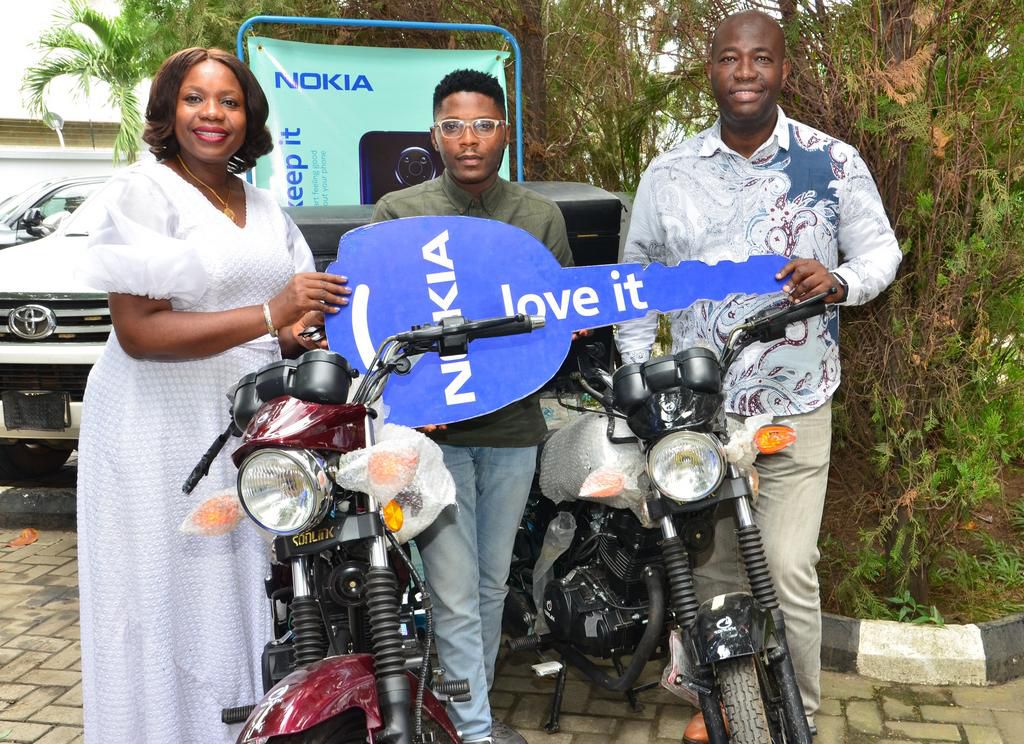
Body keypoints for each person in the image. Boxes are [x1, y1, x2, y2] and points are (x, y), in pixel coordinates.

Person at [614, 10, 902, 743]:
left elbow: (880, 256)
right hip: (698, 412)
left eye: (761, 59)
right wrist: (639, 378)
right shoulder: (668, 173)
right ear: (709, 69)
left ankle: (799, 715)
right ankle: (722, 706)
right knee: (711, 576)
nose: (746, 72)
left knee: (786, 568)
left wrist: (836, 280)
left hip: (795, 405)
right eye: (730, 59)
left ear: (783, 70)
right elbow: (637, 284)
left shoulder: (830, 163)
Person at [75, 47, 349, 743]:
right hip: (152, 425)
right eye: (195, 98)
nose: (212, 115)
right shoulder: (146, 192)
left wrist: (297, 337)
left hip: (236, 425)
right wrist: (270, 315)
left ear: (248, 115)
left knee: (232, 587)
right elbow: (139, 331)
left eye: (228, 101)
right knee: (159, 592)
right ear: (168, 109)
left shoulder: (263, 205)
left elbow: (286, 325)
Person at [370, 69, 573, 744]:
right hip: (436, 435)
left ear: (505, 134)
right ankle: (476, 735)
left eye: (484, 125)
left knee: (489, 587)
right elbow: (383, 328)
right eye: (453, 126)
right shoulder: (400, 214)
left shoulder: (540, 217)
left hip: (515, 431)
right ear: (434, 134)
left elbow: (559, 324)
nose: (469, 139)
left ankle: (463, 715)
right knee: (453, 594)